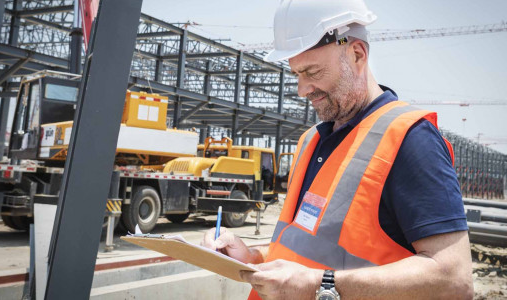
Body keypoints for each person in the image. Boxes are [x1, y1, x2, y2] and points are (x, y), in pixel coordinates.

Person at [202, 0, 473, 299]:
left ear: (356, 54)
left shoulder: (410, 139)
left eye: (313, 72)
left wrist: (322, 284)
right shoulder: (311, 142)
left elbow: (454, 280)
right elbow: (308, 248)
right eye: (296, 74)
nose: (301, 89)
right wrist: (253, 256)